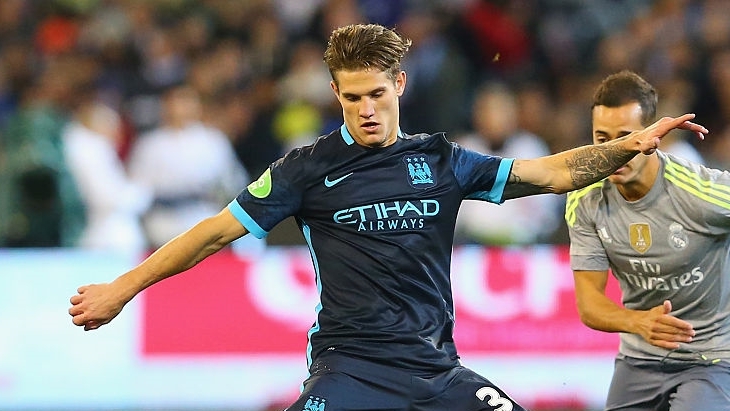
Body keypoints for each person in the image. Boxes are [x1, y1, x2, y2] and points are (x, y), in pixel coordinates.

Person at [69, 25, 707, 411]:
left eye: (376, 93)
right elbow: (214, 233)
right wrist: (122, 289)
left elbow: (551, 173)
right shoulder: (306, 169)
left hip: (436, 370)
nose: (366, 109)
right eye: (352, 97)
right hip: (351, 370)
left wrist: (628, 145)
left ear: (399, 84)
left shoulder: (441, 159)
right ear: (335, 94)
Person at [565, 70, 728, 411]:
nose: (614, 150)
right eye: (602, 138)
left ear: (653, 136)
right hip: (638, 360)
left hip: (712, 358)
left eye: (627, 137)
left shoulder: (701, 191)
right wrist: (637, 322)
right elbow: (589, 304)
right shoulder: (586, 197)